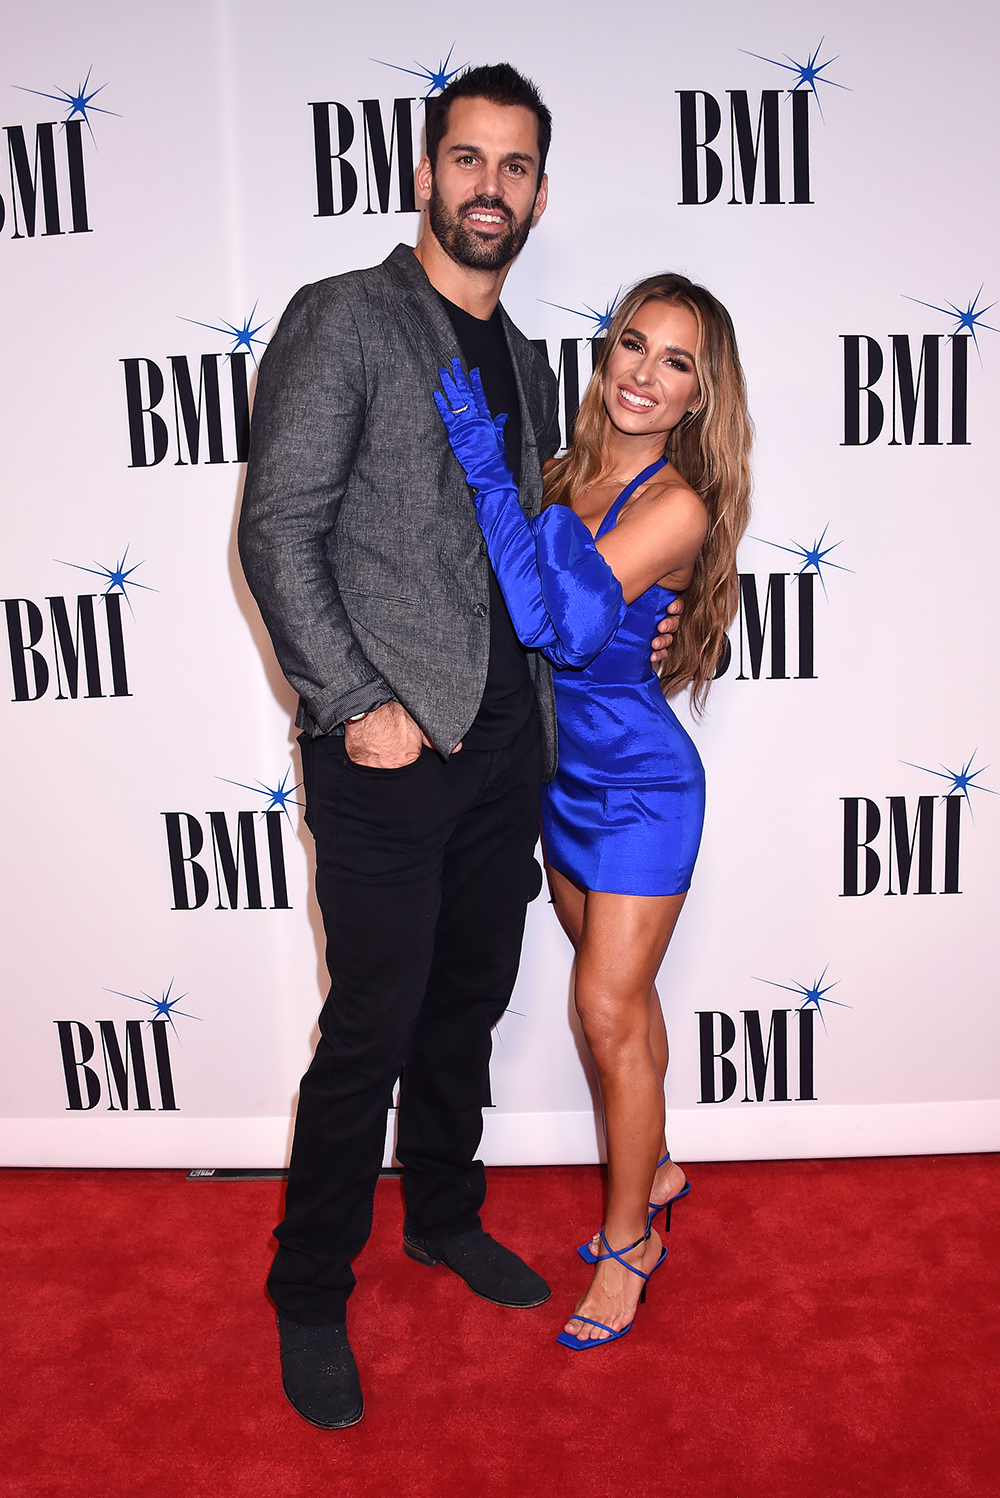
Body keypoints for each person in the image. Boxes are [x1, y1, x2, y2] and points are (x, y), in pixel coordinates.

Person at [238, 65, 679, 1427]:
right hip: (382, 752)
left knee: (468, 1001)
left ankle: (440, 1212)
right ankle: (310, 1286)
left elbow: (546, 555)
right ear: (425, 174)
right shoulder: (347, 319)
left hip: (505, 751)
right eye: (468, 160)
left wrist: (629, 642)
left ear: (539, 193)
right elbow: (277, 530)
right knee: (369, 1019)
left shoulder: (531, 358)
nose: (491, 187)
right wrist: (352, 697)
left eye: (517, 166)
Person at [435, 272, 752, 1347]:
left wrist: (483, 466)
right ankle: (652, 1164)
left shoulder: (676, 503)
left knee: (604, 1011)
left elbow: (559, 625)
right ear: (606, 353)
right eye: (633, 344)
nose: (644, 374)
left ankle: (628, 1245)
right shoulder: (562, 470)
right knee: (626, 999)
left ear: (700, 397)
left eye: (677, 363)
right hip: (557, 778)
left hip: (640, 789)